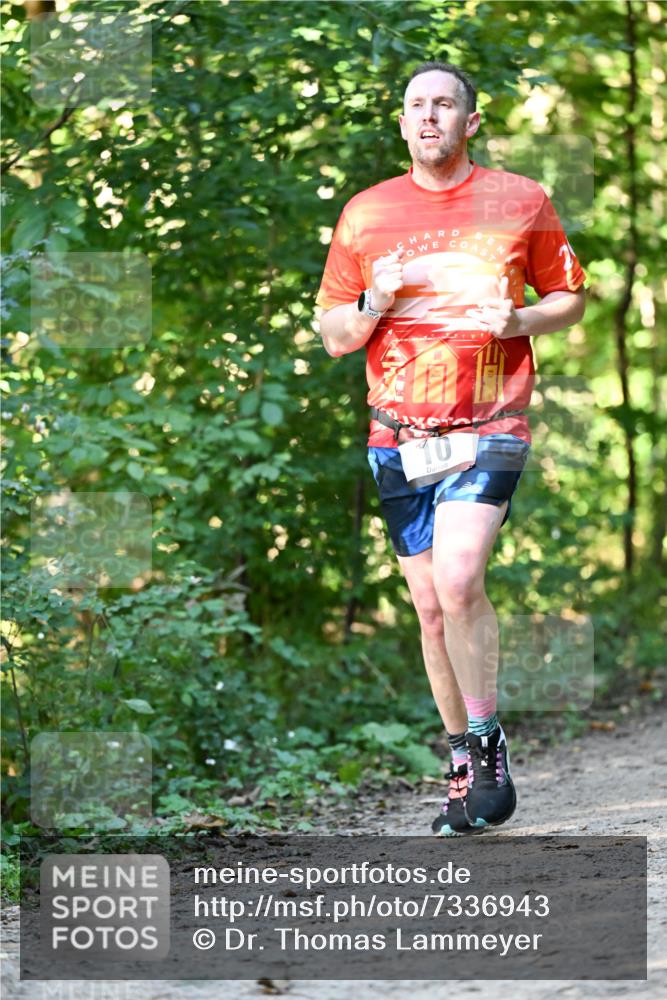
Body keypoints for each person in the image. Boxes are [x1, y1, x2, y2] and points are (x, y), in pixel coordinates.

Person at [315, 61, 586, 835]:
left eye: (443, 104)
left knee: (461, 578)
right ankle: (463, 766)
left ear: (470, 121)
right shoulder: (365, 216)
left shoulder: (519, 200)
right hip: (397, 435)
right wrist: (373, 302)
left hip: (489, 423)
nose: (427, 115)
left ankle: (487, 734)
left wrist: (520, 323)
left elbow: (567, 296)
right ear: (400, 123)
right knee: (431, 610)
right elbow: (334, 334)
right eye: (414, 105)